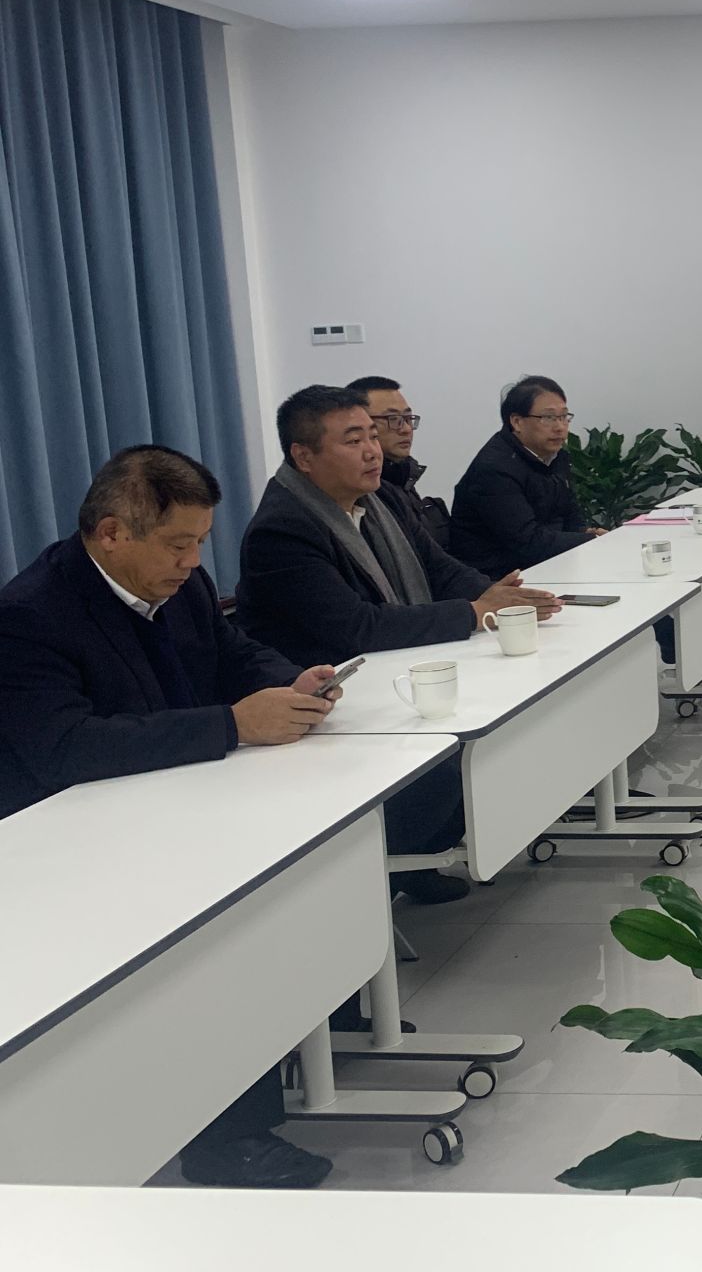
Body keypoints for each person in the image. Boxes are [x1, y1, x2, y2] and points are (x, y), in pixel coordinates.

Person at [0, 446, 338, 1188]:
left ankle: (319, 1009)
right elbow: (67, 747)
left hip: (173, 802)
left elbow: (230, 653)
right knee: (216, 939)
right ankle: (228, 1141)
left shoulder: (181, 585)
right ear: (112, 533)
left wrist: (291, 682)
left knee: (284, 887)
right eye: (177, 544)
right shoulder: (29, 616)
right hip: (66, 841)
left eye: (200, 542)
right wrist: (234, 725)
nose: (192, 562)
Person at [237, 386, 564, 904]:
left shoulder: (381, 498)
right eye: (353, 441)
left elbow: (438, 566)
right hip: (337, 706)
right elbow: (359, 628)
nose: (372, 450)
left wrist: (497, 595)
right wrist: (475, 612)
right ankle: (394, 860)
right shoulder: (282, 531)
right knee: (455, 754)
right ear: (303, 456)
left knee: (507, 715)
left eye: (372, 435)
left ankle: (425, 850)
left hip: (395, 676)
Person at [450, 374, 603, 579]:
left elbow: (571, 517)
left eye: (564, 417)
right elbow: (527, 542)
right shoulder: (494, 470)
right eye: (548, 418)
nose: (560, 427)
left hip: (548, 566)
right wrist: (592, 540)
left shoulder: (556, 457)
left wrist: (586, 535)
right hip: (499, 580)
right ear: (517, 422)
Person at [347, 375, 450, 548]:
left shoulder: (403, 476)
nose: (406, 429)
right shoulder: (362, 490)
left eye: (408, 418)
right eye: (393, 419)